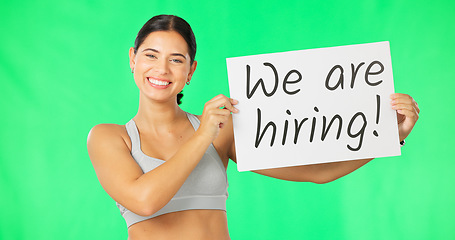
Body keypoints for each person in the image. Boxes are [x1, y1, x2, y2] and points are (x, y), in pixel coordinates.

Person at [87, 15, 420, 240]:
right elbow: (144, 201)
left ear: (190, 71)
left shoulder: (222, 131)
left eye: (176, 59)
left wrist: (391, 136)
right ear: (133, 58)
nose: (161, 68)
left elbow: (318, 171)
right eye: (150, 55)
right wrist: (204, 134)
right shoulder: (109, 137)